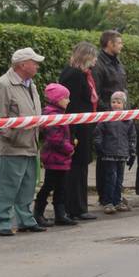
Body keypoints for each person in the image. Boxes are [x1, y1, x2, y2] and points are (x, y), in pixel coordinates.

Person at [0, 48, 47, 236]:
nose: (37, 65)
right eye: (34, 62)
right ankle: (3, 223)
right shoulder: (4, 85)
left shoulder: (32, 85)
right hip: (12, 147)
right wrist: (12, 136)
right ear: (23, 65)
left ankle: (25, 219)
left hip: (30, 145)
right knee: (8, 187)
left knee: (28, 186)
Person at [59, 42, 100, 221]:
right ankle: (75, 206)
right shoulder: (74, 75)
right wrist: (73, 132)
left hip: (85, 125)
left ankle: (80, 205)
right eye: (93, 56)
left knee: (82, 165)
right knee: (77, 166)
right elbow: (72, 104)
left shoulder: (83, 74)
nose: (96, 60)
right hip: (77, 127)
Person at [34, 83, 76, 227]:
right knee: (48, 185)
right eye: (66, 98)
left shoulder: (59, 115)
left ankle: (60, 213)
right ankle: (38, 213)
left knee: (61, 187)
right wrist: (69, 148)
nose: (69, 101)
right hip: (54, 158)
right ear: (57, 99)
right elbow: (55, 138)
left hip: (61, 159)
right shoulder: (52, 116)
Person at [95, 91, 135, 213]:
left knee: (119, 179)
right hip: (109, 154)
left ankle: (117, 201)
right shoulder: (106, 117)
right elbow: (98, 133)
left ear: (124, 104)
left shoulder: (128, 120)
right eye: (113, 102)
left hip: (122, 154)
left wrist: (132, 151)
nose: (116, 104)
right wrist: (99, 146)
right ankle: (108, 202)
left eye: (119, 102)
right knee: (110, 178)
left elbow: (132, 137)